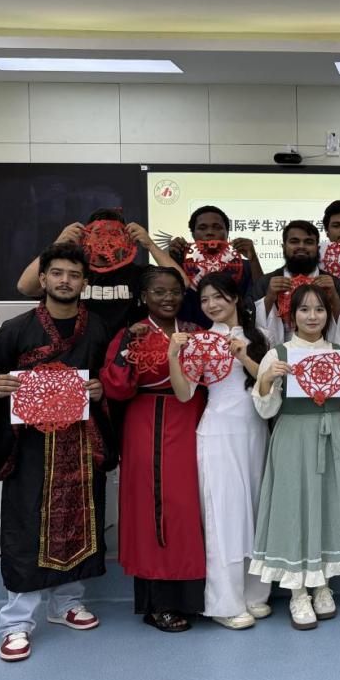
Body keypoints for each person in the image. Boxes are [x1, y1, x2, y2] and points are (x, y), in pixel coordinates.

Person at [0, 242, 116, 662]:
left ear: (85, 282)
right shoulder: (17, 328)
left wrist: (102, 391)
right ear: (43, 279)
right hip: (30, 449)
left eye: (74, 275)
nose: (65, 281)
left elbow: (112, 378)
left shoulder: (98, 329)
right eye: (57, 273)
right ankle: (16, 622)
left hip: (80, 444)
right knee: (27, 525)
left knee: (80, 521)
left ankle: (66, 603)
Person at [250, 283, 340, 630]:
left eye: (319, 309)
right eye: (304, 309)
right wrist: (267, 379)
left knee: (329, 504)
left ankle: (323, 585)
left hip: (333, 434)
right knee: (295, 507)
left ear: (328, 314)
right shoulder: (279, 353)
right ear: (292, 315)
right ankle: (298, 591)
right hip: (293, 435)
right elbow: (265, 409)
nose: (312, 316)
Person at [100, 266, 205, 632]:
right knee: (159, 507)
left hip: (195, 421)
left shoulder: (195, 332)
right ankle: (160, 602)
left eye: (175, 291)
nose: (168, 298)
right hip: (151, 422)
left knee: (192, 506)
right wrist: (128, 345)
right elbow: (115, 387)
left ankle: (197, 598)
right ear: (144, 296)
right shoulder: (132, 333)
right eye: (159, 292)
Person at [167, 272, 272, 630]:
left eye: (219, 297)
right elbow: (184, 394)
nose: (212, 305)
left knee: (256, 512)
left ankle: (255, 594)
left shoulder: (261, 337)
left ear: (236, 298)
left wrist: (244, 356)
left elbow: (270, 385)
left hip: (256, 432)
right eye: (205, 299)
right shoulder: (199, 343)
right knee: (224, 517)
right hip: (218, 433)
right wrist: (173, 357)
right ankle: (225, 602)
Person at [16, 209, 187, 337]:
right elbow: (25, 287)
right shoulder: (74, 273)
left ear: (125, 238)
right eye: (98, 233)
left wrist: (150, 244)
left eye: (114, 234)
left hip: (125, 355)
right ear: (87, 237)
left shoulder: (138, 273)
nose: (106, 239)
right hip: (81, 352)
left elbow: (182, 283)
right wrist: (59, 242)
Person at [249, 220, 340, 350]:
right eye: (294, 241)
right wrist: (269, 299)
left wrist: (334, 298)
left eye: (308, 242)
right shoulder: (266, 283)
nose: (301, 246)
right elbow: (247, 327)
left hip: (323, 357)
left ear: (318, 248)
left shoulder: (335, 284)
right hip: (279, 359)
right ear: (283, 246)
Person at [169, 205, 260, 328]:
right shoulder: (181, 265)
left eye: (217, 227)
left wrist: (253, 258)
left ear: (227, 233)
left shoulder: (246, 267)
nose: (210, 232)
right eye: (202, 228)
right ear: (193, 234)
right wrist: (172, 259)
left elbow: (261, 300)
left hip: (235, 335)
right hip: (189, 335)